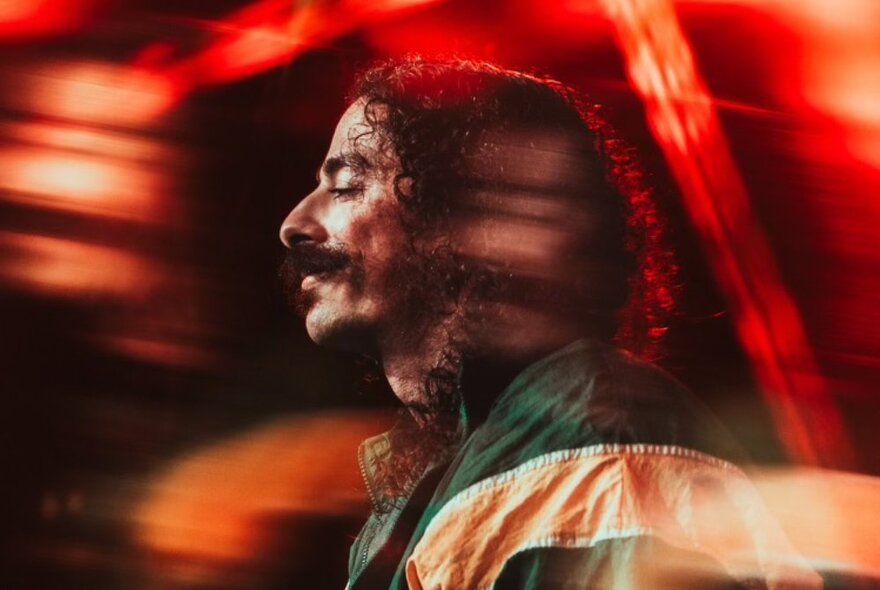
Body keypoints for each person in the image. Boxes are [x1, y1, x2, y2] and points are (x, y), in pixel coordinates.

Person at [278, 57, 819, 590]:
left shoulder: (592, 439)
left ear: (469, 213)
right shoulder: (492, 455)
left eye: (345, 184)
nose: (294, 224)